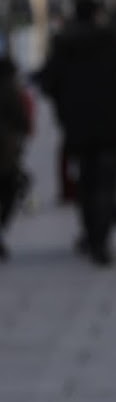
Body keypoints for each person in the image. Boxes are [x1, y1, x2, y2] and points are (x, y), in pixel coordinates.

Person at [36, 0, 116, 266]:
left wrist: (65, 107)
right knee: (106, 181)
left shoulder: (64, 43)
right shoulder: (112, 41)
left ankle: (90, 233)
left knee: (85, 180)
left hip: (77, 126)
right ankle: (101, 239)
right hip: (111, 123)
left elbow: (47, 81)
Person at [0, 54, 32, 262]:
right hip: (5, 153)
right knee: (9, 191)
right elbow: (23, 122)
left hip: (6, 150)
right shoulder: (10, 91)